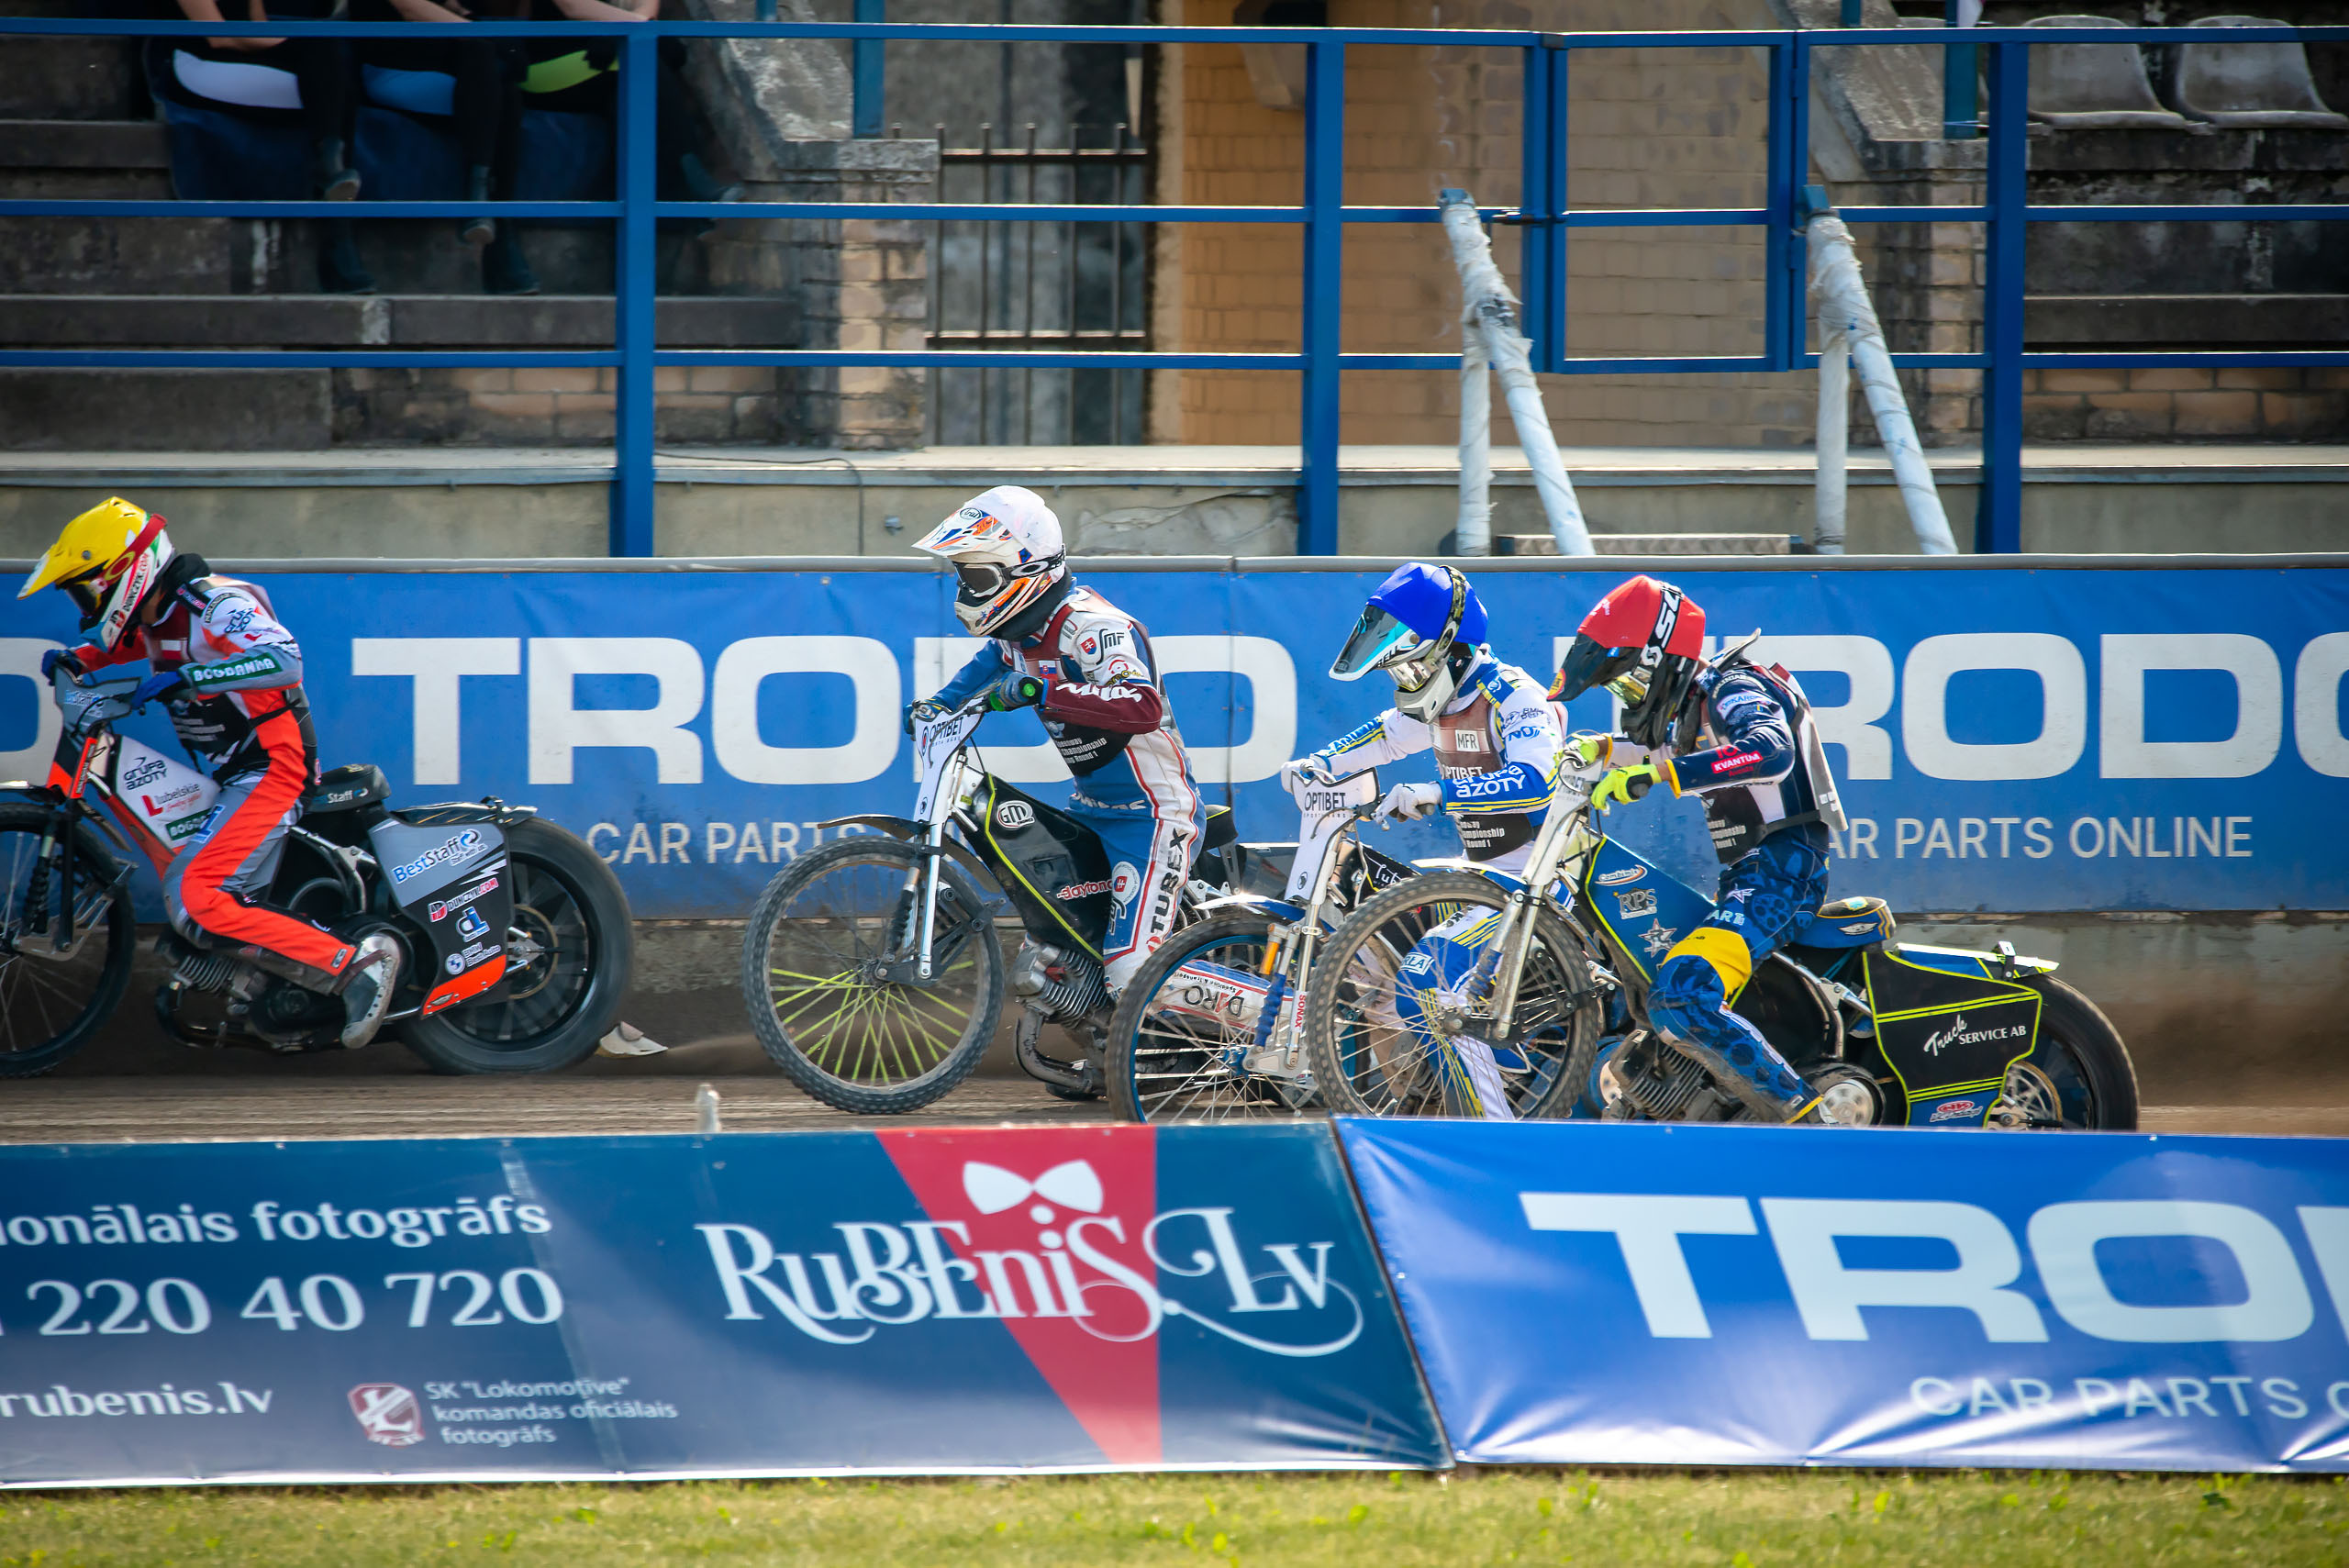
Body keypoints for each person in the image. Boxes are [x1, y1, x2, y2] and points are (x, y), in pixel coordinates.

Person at [17, 498, 401, 1049]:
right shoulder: (157, 614)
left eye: (85, 589)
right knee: (190, 899)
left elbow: (285, 657)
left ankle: (353, 964)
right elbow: (118, 646)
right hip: (237, 775)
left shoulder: (213, 604)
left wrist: (193, 677)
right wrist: (77, 659)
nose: (85, 603)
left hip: (274, 768)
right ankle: (259, 977)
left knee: (196, 896)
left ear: (124, 575)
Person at [1549, 573, 1849, 1122]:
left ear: (1660, 658)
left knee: (1683, 995)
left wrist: (1658, 774)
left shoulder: (1731, 685)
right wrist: (1599, 749)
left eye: (1627, 684)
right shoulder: (1688, 715)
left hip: (1785, 871)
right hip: (1745, 878)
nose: (1627, 699)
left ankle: (1810, 1122)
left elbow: (1771, 751)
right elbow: (1648, 748)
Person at [1279, 562, 1567, 1113]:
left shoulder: (1516, 697)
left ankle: (1496, 1132)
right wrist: (1317, 765)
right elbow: (1385, 736)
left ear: (1449, 650)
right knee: (1366, 910)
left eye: (1411, 673)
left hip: (1536, 882)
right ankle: (1461, 1080)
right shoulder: (1443, 696)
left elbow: (1536, 781)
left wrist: (1437, 794)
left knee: (1426, 984)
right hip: (1478, 879)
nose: (1405, 686)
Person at [906, 486, 1202, 999]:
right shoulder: (1017, 637)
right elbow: (979, 673)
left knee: (1132, 973)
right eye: (963, 576)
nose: (966, 591)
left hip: (1153, 815)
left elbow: (1142, 706)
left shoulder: (1094, 627)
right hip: (1089, 811)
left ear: (1027, 571)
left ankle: (1285, 1020)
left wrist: (1042, 689)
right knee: (1054, 951)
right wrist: (934, 707)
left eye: (977, 577)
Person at [148, 0, 373, 292]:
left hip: (245, 52)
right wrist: (295, 40)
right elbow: (219, 37)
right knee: (327, 77)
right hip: (200, 61)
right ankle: (337, 233)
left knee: (332, 69)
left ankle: (331, 175)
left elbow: (256, 24)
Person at [351, 0, 529, 253]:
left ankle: (491, 216)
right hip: (393, 69)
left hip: (446, 69)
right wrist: (489, 36)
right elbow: (412, 9)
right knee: (485, 56)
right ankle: (484, 213)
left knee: (506, 91)